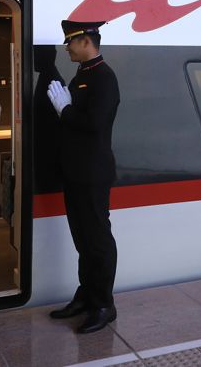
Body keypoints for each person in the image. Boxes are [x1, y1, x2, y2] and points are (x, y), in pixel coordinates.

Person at [46, 19, 121, 334]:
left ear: (86, 41)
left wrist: (64, 110)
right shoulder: (83, 76)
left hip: (92, 172)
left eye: (70, 41)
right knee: (82, 237)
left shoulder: (104, 78)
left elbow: (95, 124)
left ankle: (104, 303)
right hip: (76, 170)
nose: (66, 47)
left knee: (98, 240)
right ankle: (86, 295)